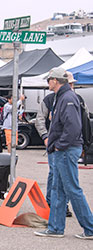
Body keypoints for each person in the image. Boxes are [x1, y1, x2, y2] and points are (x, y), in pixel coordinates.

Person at [34, 67, 93, 240]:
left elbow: (73, 127)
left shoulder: (66, 98)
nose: (47, 83)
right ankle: (56, 228)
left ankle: (89, 228)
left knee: (72, 189)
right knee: (58, 189)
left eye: (49, 80)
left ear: (56, 80)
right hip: (64, 150)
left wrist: (60, 145)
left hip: (65, 150)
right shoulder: (64, 97)